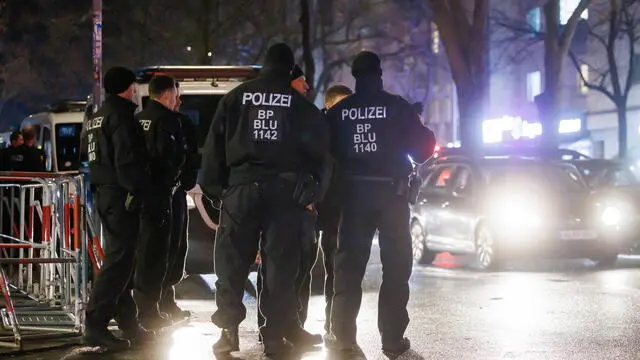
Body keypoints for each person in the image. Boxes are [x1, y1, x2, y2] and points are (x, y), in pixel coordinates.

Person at [199, 42, 329, 358]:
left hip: (240, 191)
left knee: (231, 265)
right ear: (288, 69)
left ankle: (228, 334)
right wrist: (312, 189)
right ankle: (273, 336)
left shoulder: (235, 98)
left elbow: (214, 148)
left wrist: (217, 191)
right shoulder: (298, 105)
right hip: (283, 194)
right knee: (279, 267)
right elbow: (321, 152)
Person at [324, 51, 436, 358]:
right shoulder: (397, 108)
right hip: (392, 197)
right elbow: (425, 147)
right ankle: (392, 339)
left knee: (348, 269)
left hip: (354, 197)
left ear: (355, 76)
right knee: (396, 269)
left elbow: (322, 151)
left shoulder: (339, 111)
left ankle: (344, 337)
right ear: (380, 74)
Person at [84, 66, 154, 351]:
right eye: (134, 87)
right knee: (119, 261)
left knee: (123, 260)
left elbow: (86, 156)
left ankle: (128, 323)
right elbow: (127, 159)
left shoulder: (95, 117)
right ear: (129, 88)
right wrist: (138, 193)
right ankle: (95, 325)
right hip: (121, 193)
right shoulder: (123, 116)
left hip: (103, 192)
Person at [255, 64, 320, 338]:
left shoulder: (300, 113)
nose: (307, 86)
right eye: (302, 81)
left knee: (300, 268)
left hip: (300, 202)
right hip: (286, 203)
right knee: (279, 267)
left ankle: (293, 326)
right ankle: (272, 327)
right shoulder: (288, 115)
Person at [134, 75, 185, 329]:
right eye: (175, 94)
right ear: (167, 95)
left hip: (139, 196)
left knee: (142, 253)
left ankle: (141, 308)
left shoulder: (137, 119)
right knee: (158, 256)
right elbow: (170, 159)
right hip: (161, 196)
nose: (177, 99)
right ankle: (149, 311)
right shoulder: (168, 121)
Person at [159, 81, 199, 321]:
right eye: (177, 96)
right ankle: (161, 302)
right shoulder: (174, 124)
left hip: (174, 194)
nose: (180, 101)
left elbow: (191, 158)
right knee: (166, 248)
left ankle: (166, 299)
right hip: (167, 194)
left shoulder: (182, 123)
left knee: (175, 248)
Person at [316, 84, 352, 334]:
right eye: (343, 105)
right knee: (333, 269)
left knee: (342, 271)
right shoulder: (321, 132)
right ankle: (333, 324)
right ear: (329, 105)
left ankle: (337, 323)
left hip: (344, 210)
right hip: (328, 211)